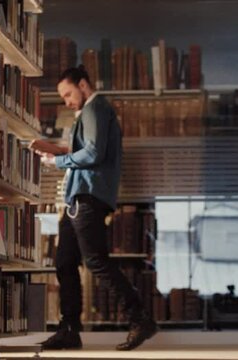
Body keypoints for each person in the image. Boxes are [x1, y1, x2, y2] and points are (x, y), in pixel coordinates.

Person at [32, 65, 157, 351]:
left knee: (96, 261)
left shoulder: (95, 108)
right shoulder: (88, 113)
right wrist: (55, 150)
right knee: (64, 262)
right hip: (77, 197)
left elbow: (93, 152)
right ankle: (69, 329)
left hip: (87, 197)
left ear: (83, 85)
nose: (66, 101)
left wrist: (56, 162)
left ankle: (140, 318)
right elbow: (85, 149)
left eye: (68, 94)